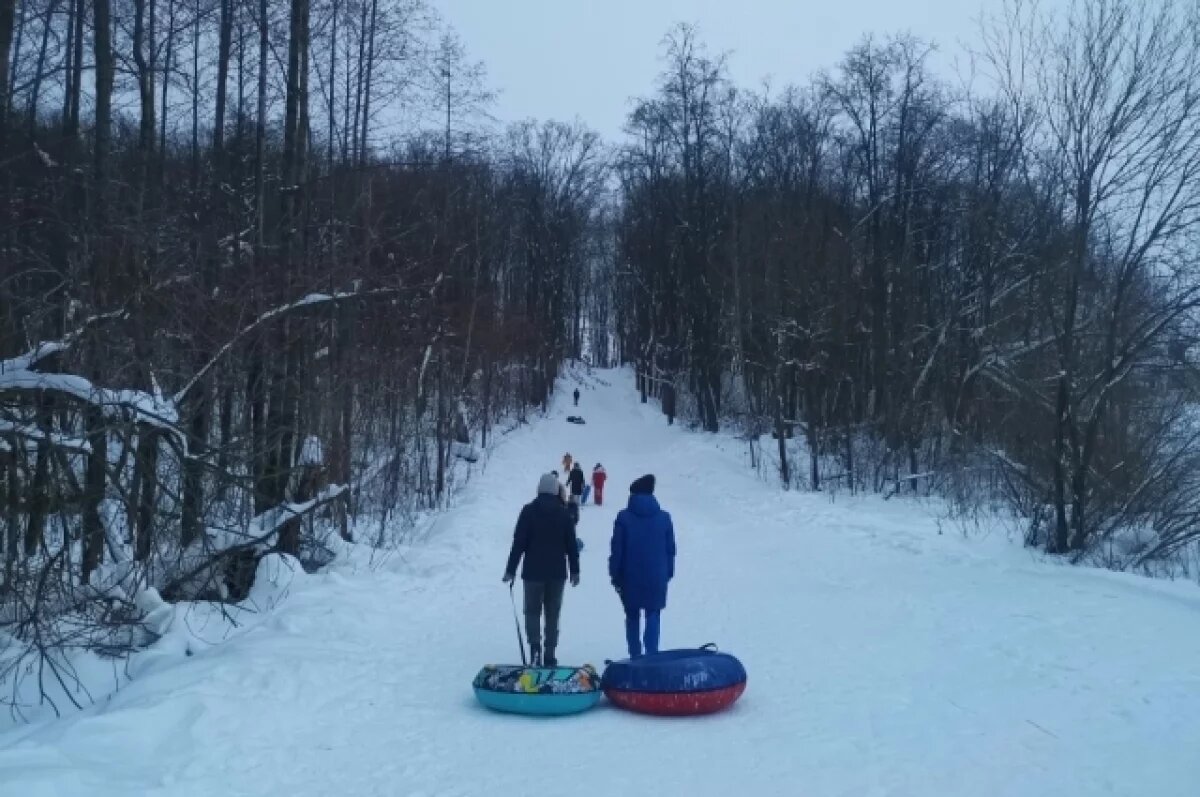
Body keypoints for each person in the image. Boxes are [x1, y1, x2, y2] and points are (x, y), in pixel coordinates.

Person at [504, 473, 580, 667]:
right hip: (557, 574)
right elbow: (571, 544)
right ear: (555, 491)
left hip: (532, 573)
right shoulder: (564, 514)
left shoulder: (528, 511)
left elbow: (519, 543)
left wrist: (511, 570)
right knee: (552, 614)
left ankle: (535, 650)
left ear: (539, 489)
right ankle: (550, 655)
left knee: (532, 612)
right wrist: (575, 570)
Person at [609, 474, 675, 658]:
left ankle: (635, 657)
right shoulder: (665, 518)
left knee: (632, 616)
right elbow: (670, 549)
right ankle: (652, 655)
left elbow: (617, 550)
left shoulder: (623, 518)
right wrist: (667, 573)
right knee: (653, 613)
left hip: (630, 577)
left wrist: (615, 574)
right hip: (656, 576)